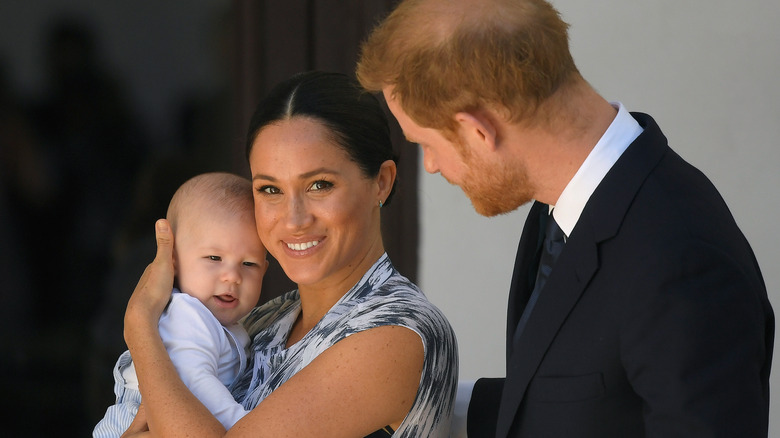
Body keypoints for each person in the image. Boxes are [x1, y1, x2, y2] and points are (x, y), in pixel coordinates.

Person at [356, 0, 774, 437]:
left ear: (479, 130)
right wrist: (414, 398)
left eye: (426, 143)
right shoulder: (563, 206)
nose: (431, 165)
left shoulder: (681, 261)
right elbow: (586, 401)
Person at [121, 71, 458, 437]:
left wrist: (140, 326)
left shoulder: (398, 331)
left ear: (382, 181)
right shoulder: (263, 321)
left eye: (319, 185)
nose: (294, 220)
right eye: (269, 189)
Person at [94, 172, 269, 436]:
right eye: (214, 257)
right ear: (173, 261)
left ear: (264, 270)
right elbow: (195, 383)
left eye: (249, 264)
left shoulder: (226, 323)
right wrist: (244, 426)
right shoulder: (187, 315)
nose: (232, 276)